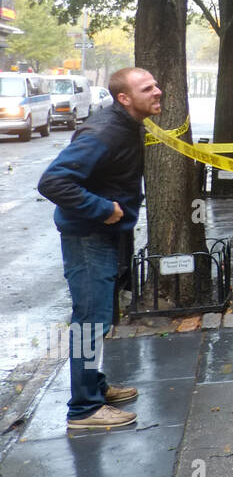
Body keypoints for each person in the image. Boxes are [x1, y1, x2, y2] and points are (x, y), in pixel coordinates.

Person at [37, 67, 162, 431]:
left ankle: (95, 387)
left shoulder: (126, 124)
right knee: (90, 323)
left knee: (98, 318)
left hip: (104, 236)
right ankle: (84, 410)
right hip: (88, 237)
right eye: (147, 88)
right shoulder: (105, 132)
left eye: (155, 84)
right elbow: (53, 182)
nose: (158, 91)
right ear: (124, 98)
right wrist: (105, 210)